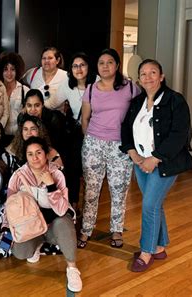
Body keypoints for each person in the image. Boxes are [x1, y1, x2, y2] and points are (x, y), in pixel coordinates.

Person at [120, 59, 192, 272]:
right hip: (140, 162)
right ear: (139, 79)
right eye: (143, 74)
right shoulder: (137, 102)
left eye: (153, 73)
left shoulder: (175, 100)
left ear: (161, 76)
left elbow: (179, 135)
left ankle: (146, 251)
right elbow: (125, 128)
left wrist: (155, 158)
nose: (148, 77)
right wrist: (132, 152)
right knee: (154, 203)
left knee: (150, 205)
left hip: (164, 163)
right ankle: (160, 247)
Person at [78, 48, 141, 249]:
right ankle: (86, 229)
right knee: (91, 191)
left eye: (110, 62)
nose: (105, 66)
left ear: (117, 65)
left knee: (119, 190)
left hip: (120, 147)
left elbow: (139, 117)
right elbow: (85, 119)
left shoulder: (131, 89)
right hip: (93, 144)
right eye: (101, 63)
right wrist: (92, 139)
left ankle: (117, 230)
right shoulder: (90, 90)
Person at [4, 137, 82, 293]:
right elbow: (9, 207)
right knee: (19, 253)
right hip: (32, 227)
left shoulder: (56, 174)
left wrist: (51, 185)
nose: (35, 158)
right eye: (30, 154)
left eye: (38, 153)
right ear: (25, 157)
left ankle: (72, 269)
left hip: (55, 226)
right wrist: (6, 229)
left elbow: (61, 210)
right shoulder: (18, 176)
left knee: (64, 222)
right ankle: (38, 243)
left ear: (46, 154)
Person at [55, 52, 98, 210]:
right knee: (73, 169)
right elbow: (52, 103)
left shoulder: (98, 83)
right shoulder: (68, 84)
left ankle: (89, 209)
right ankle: (73, 204)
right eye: (75, 66)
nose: (78, 69)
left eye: (82, 65)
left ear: (88, 67)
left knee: (91, 173)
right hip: (76, 134)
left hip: (96, 134)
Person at [19, 89, 67, 156]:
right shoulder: (22, 118)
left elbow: (59, 146)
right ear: (25, 106)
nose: (33, 110)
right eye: (29, 105)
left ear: (42, 105)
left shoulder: (53, 119)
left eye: (37, 105)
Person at [0, 52, 30, 145]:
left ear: (17, 70)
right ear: (1, 71)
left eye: (12, 69)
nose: (9, 73)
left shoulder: (25, 91)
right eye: (5, 69)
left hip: (19, 138)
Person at [22, 47, 68, 112]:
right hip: (34, 118)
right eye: (44, 58)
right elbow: (19, 83)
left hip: (57, 119)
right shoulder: (33, 73)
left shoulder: (65, 76)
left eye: (50, 58)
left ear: (57, 60)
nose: (46, 61)